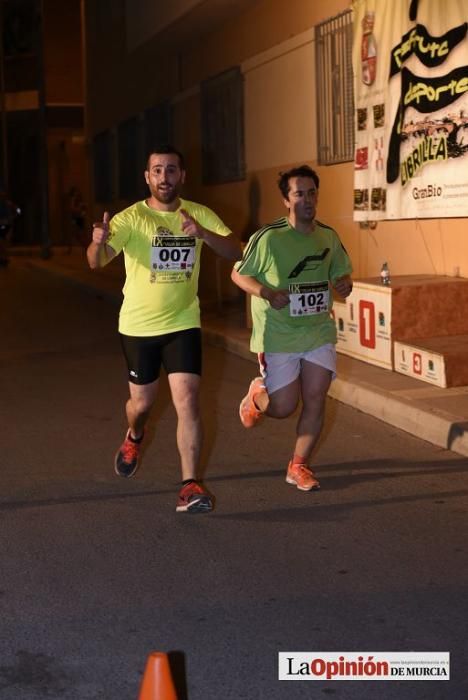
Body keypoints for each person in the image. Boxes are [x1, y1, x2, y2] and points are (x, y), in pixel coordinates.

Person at [87, 145, 241, 513]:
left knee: (187, 399)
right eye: (157, 170)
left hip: (183, 322)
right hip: (138, 326)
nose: (165, 177)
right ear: (147, 177)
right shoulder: (129, 219)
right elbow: (96, 263)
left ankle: (190, 486)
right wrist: (96, 244)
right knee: (141, 404)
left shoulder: (198, 214)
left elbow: (235, 250)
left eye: (172, 170)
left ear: (182, 176)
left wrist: (202, 233)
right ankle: (134, 435)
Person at [231, 165, 353, 492]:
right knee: (284, 406)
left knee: (315, 396)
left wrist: (344, 285)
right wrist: (267, 293)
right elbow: (239, 275)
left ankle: (298, 466)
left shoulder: (328, 236)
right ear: (287, 200)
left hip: (317, 330)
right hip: (278, 334)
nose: (307, 199)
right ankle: (257, 396)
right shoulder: (269, 237)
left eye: (312, 193)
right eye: (299, 194)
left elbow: (343, 274)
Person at [0, 187, 20, 267]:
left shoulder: (8, 204)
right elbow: (18, 210)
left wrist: (13, 217)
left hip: (6, 224)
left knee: (3, 242)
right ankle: (3, 258)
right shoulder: (8, 204)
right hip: (5, 224)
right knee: (3, 242)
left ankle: (4, 258)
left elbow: (18, 210)